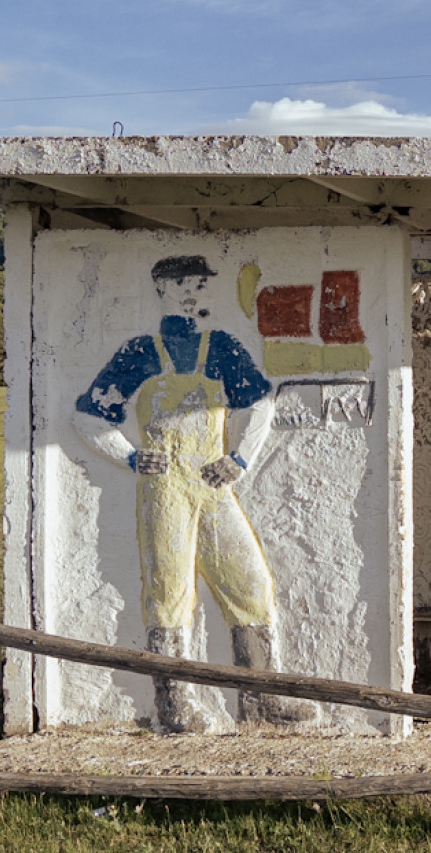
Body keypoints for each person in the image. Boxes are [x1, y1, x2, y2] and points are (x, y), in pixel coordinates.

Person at [72, 254, 308, 733]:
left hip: (211, 482)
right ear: (160, 289)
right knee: (168, 590)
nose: (190, 292)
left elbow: (260, 402)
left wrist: (239, 458)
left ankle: (260, 698)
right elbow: (88, 414)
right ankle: (174, 704)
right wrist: (131, 456)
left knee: (249, 581)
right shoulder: (141, 351)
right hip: (165, 490)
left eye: (199, 284)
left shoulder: (220, 347)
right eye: (180, 283)